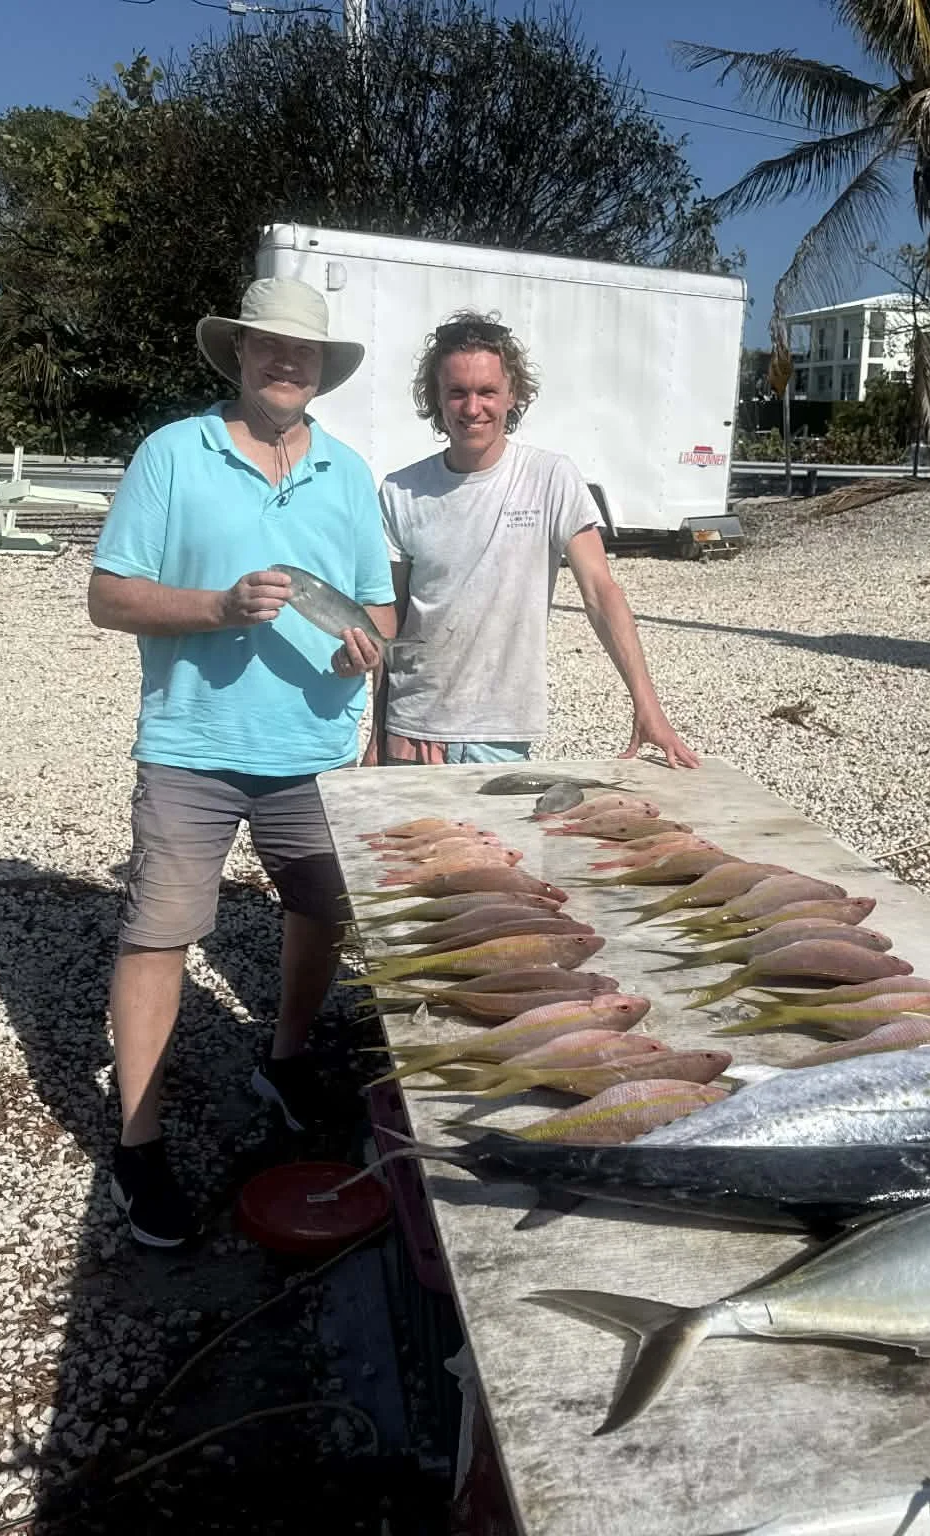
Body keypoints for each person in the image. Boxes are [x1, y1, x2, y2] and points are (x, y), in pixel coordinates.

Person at [86, 276, 395, 1247]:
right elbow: (108, 595)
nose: (285, 362)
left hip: (314, 747)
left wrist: (368, 642)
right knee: (159, 932)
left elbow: (378, 606)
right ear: (239, 353)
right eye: (268, 346)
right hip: (193, 746)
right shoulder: (173, 455)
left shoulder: (346, 472)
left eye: (302, 351)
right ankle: (138, 1146)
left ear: (319, 368)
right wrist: (216, 609)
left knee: (321, 906)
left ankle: (288, 1057)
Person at [356, 311, 700, 769]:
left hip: (499, 736)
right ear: (436, 398)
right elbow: (389, 621)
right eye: (456, 392)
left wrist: (647, 706)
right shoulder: (401, 492)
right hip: (412, 730)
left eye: (487, 392)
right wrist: (376, 735)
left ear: (512, 394)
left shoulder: (551, 478)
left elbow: (600, 593)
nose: (472, 407)